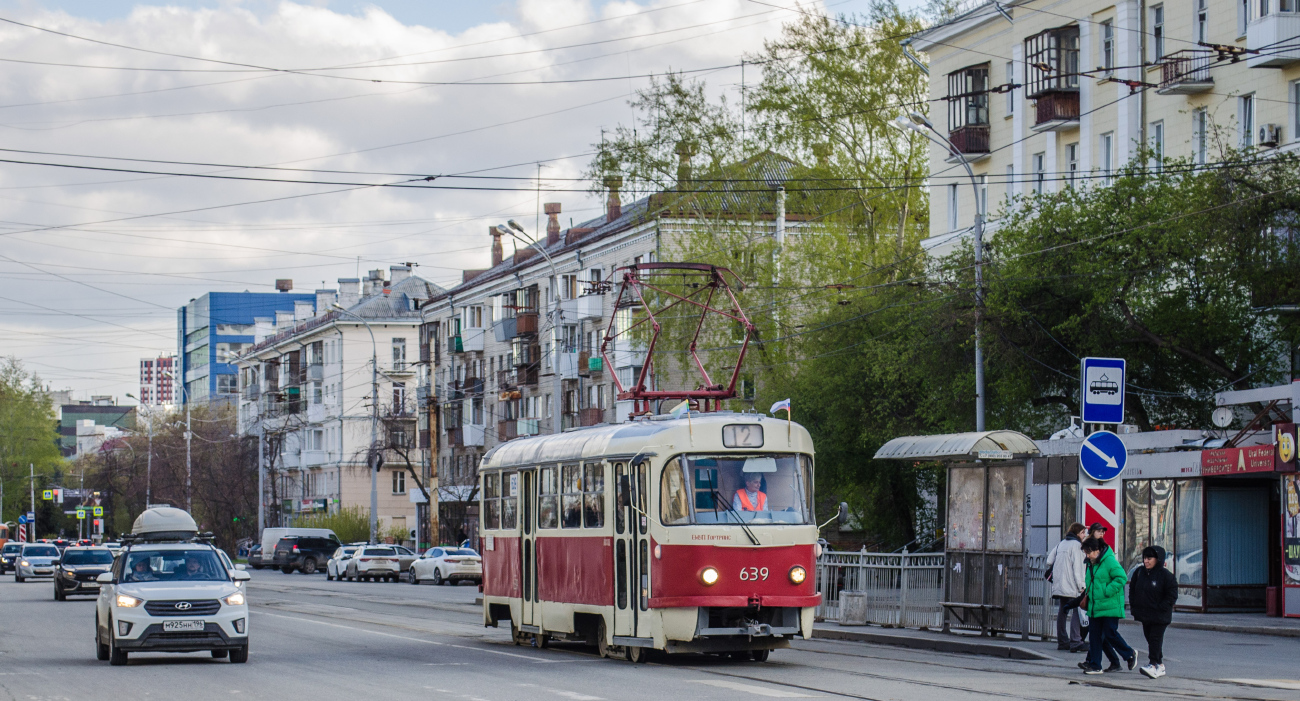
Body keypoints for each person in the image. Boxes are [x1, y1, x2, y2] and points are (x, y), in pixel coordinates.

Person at [1080, 537, 1136, 675]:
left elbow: (1121, 577)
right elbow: (1092, 582)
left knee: (1110, 633)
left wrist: (1106, 591)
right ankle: (1095, 665)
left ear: (1097, 550)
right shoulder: (1092, 563)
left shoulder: (1109, 560)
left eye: (1089, 552)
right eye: (1086, 552)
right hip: (1095, 605)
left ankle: (1129, 653)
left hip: (1109, 605)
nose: (1087, 555)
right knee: (1094, 636)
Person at [1130, 545, 1178, 679]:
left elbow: (1172, 595)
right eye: (1145, 558)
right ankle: (1160, 665)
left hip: (1160, 616)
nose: (1146, 561)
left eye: (1149, 558)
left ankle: (1152, 664)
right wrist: (1134, 607)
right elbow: (1133, 590)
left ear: (1158, 559)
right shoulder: (1139, 573)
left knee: (1155, 639)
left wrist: (1161, 607)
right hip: (1145, 615)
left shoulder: (1166, 576)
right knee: (1150, 639)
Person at [1046, 523, 1088, 652]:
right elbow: (1078, 568)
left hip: (1060, 584)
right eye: (1082, 533)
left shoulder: (1062, 543)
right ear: (1077, 533)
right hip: (1072, 585)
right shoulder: (1077, 546)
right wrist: (1081, 585)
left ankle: (1062, 641)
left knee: (1062, 611)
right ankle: (1076, 641)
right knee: (1076, 611)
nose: (1084, 535)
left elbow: (1049, 560)